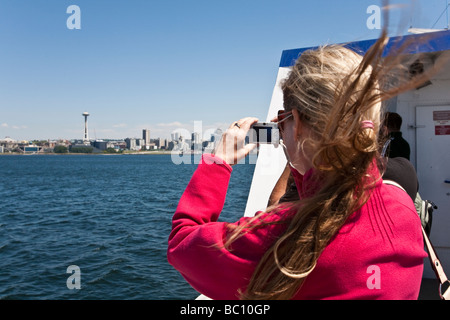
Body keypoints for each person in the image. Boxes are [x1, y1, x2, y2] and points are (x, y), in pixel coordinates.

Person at [167, 30, 429, 300]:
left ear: (297, 121)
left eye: (284, 119)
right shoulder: (401, 202)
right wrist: (300, 148)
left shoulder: (283, 234)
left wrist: (217, 162)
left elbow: (181, 244)